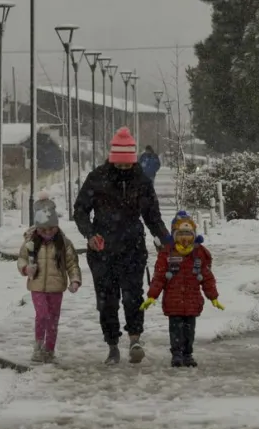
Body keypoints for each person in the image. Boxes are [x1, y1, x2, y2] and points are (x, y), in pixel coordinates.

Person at [73, 127, 171, 365]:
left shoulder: (142, 181)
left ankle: (135, 339)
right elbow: (80, 211)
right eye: (121, 164)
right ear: (113, 159)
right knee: (106, 301)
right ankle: (112, 345)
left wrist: (166, 242)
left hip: (132, 249)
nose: (125, 168)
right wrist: (90, 234)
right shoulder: (97, 178)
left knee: (133, 297)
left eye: (128, 164)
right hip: (102, 251)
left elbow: (153, 217)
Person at [140, 210, 224, 367]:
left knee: (189, 331)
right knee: (175, 330)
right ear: (174, 235)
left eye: (188, 234)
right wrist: (152, 295)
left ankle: (188, 354)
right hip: (173, 302)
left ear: (193, 235)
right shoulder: (167, 253)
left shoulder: (199, 254)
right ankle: (176, 354)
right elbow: (159, 277)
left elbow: (207, 277)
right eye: (181, 234)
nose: (185, 238)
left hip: (192, 302)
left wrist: (213, 297)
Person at [17, 194, 82, 363]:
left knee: (53, 318)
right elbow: (22, 258)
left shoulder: (63, 243)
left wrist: (74, 280)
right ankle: (38, 345)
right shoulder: (31, 242)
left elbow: (72, 263)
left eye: (51, 229)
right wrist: (26, 268)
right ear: (37, 228)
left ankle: (49, 349)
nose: (47, 233)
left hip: (56, 287)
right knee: (43, 315)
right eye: (43, 230)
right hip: (37, 285)